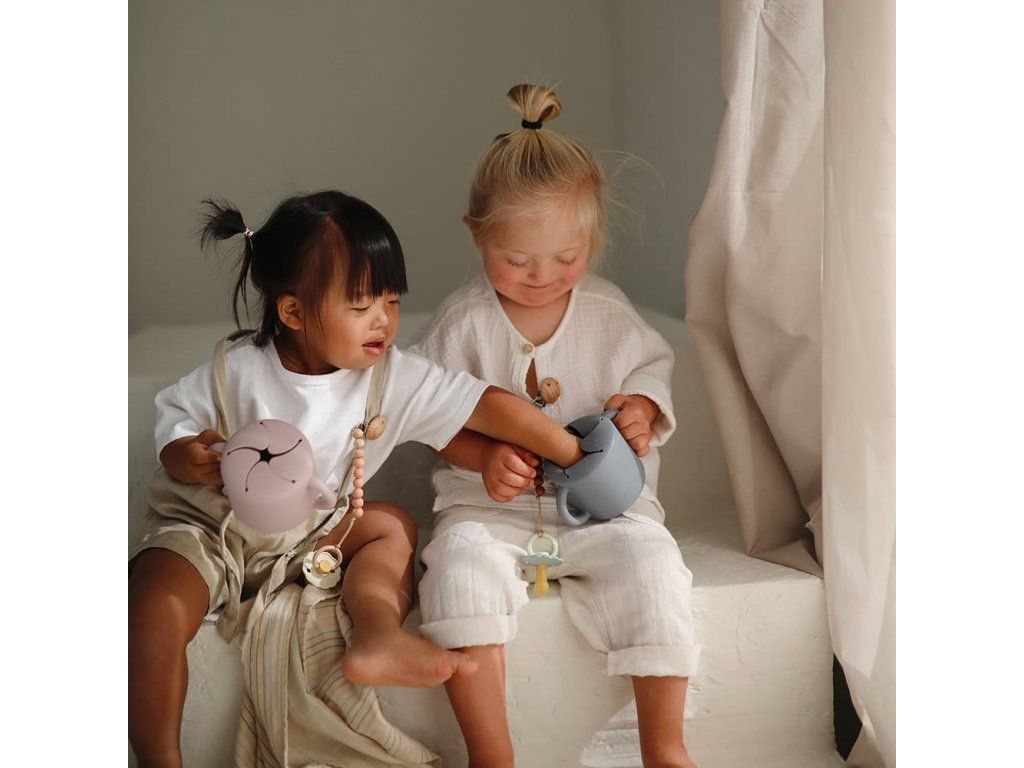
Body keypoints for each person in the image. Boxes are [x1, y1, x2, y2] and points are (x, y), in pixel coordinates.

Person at [127, 190, 584, 768]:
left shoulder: (392, 376)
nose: (384, 321)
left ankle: (376, 634)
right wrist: (184, 455)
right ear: (293, 313)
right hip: (213, 528)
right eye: (362, 304)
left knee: (390, 525)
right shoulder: (235, 370)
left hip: (313, 537)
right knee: (154, 605)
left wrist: (570, 450)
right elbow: (175, 424)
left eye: (392, 301)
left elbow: (485, 406)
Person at [410, 85, 701, 768]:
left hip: (607, 509)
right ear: (476, 233)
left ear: (592, 242)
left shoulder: (608, 313)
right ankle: (491, 754)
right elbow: (421, 409)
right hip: (492, 513)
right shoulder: (461, 324)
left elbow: (652, 366)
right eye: (517, 260)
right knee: (456, 570)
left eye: (567, 258)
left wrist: (642, 407)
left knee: (654, 567)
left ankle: (665, 746)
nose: (542, 276)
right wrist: (480, 455)